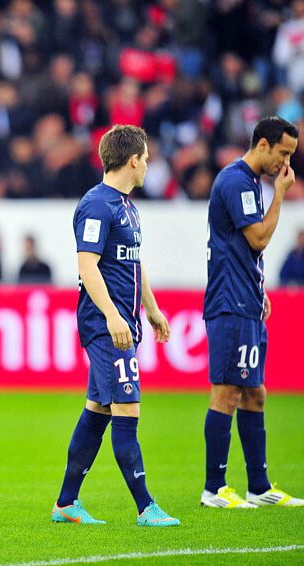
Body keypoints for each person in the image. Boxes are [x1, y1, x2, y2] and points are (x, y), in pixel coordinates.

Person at [52, 124, 180, 527]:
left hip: (124, 320)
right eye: (147, 159)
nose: (149, 165)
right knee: (127, 409)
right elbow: (87, 266)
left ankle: (66, 503)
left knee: (98, 409)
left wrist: (152, 308)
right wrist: (111, 315)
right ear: (133, 160)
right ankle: (146, 507)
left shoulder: (127, 206)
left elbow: (133, 262)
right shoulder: (97, 205)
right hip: (106, 324)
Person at [201, 116, 304, 508]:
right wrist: (280, 195)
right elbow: (258, 238)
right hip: (231, 302)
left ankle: (258, 487)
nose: (286, 163)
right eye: (283, 153)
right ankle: (214, 488)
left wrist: (258, 288)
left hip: (248, 299)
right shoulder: (236, 181)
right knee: (227, 390)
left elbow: (244, 250)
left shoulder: (249, 182)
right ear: (263, 144)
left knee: (255, 393)